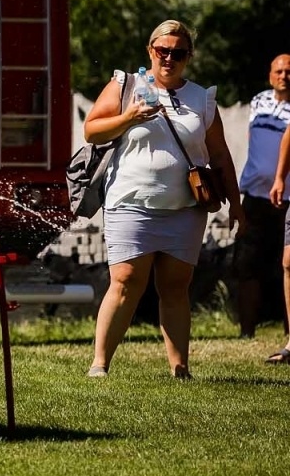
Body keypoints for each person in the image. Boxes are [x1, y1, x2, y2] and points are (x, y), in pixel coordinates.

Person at [85, 20, 241, 379]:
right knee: (125, 280)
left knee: (175, 288)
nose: (169, 58)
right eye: (163, 51)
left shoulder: (201, 98)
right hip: (130, 201)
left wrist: (236, 204)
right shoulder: (126, 85)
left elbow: (219, 155)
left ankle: (180, 368)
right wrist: (129, 117)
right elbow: (92, 130)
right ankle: (100, 364)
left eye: (178, 53)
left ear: (189, 57)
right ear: (150, 51)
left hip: (185, 208)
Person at [232, 54, 290, 339]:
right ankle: (246, 331)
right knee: (247, 263)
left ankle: (289, 333)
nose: (284, 76)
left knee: (288, 265)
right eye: (278, 71)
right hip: (255, 196)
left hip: (287, 198)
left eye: (289, 71)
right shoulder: (258, 102)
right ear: (270, 75)